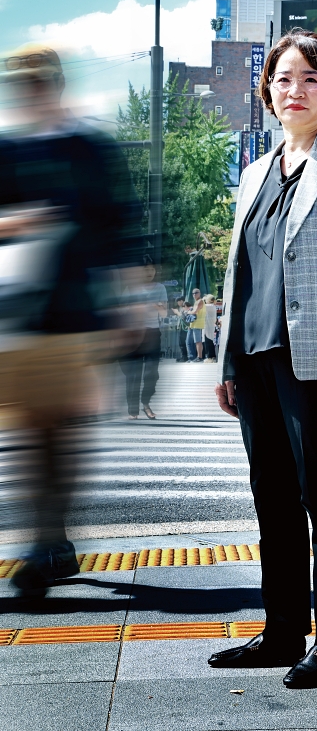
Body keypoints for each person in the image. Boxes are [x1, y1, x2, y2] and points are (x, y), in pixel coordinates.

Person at [210, 30, 317, 689]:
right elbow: (241, 273)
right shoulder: (256, 170)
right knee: (273, 498)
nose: (296, 89)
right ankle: (283, 628)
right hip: (254, 359)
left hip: (316, 357)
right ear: (268, 91)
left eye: (311, 78)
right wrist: (228, 359)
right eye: (284, 78)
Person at [0, 43, 140, 597]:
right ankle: (51, 538)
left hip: (73, 312)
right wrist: (13, 223)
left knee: (56, 425)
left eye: (41, 81)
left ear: (56, 84)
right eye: (23, 82)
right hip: (14, 310)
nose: (33, 89)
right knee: (32, 428)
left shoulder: (90, 148)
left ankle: (48, 540)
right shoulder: (6, 151)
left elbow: (121, 226)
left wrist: (132, 299)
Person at [120, 256, 167, 419]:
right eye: (146, 269)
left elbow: (164, 312)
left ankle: (145, 402)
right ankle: (133, 410)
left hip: (153, 333)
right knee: (133, 374)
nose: (149, 272)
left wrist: (154, 304)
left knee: (152, 373)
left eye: (152, 269)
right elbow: (122, 311)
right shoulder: (131, 288)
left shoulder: (160, 288)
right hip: (135, 333)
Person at [186, 287, 205, 361]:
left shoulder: (200, 301)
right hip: (194, 324)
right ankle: (196, 357)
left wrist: (188, 312)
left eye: (196, 293)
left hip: (198, 324)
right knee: (193, 341)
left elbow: (195, 311)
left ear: (199, 293)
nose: (194, 294)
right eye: (193, 293)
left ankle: (199, 357)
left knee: (198, 341)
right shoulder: (196, 302)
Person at [172, 296, 189, 362]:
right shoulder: (182, 307)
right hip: (181, 327)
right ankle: (184, 356)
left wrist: (177, 312)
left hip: (184, 328)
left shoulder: (185, 307)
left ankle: (185, 357)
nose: (178, 303)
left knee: (182, 343)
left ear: (181, 301)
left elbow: (183, 317)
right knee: (181, 343)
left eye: (178, 302)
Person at [203, 293, 217, 362]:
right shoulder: (211, 306)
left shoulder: (210, 306)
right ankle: (210, 357)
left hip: (209, 327)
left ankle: (211, 357)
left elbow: (201, 305)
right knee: (208, 341)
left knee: (209, 342)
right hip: (208, 326)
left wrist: (202, 300)